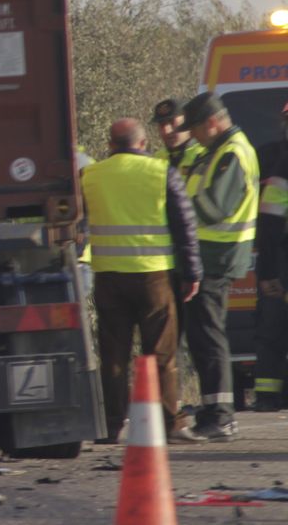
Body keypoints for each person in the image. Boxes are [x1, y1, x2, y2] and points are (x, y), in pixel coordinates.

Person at [80, 119, 201, 444]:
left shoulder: (91, 176)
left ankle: (111, 424)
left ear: (110, 144)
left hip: (108, 277)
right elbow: (185, 226)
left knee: (114, 354)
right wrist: (192, 274)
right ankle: (169, 424)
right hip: (154, 277)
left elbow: (77, 222)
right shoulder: (161, 172)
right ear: (143, 143)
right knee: (161, 352)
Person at [172, 92, 259, 442]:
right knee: (201, 335)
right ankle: (213, 411)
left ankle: (222, 416)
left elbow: (213, 206)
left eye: (194, 129)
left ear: (211, 122)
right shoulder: (217, 151)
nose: (191, 136)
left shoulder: (232, 153)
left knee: (209, 336)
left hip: (216, 256)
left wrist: (174, 210)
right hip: (206, 255)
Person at [252, 103, 288, 412]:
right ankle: (268, 394)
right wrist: (267, 271)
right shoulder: (273, 161)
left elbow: (271, 220)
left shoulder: (279, 164)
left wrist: (266, 271)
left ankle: (269, 395)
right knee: (272, 329)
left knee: (273, 329)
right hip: (281, 260)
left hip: (280, 261)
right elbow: (270, 221)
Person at [152, 97, 202, 173]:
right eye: (161, 124)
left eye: (172, 122)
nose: (167, 131)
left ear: (187, 120)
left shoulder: (202, 155)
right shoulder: (157, 158)